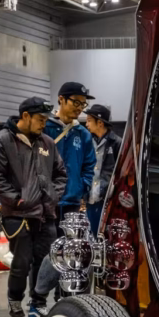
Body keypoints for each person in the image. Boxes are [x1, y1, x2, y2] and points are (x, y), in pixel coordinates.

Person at [0, 97, 66, 317]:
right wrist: (17, 199)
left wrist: (53, 195)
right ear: (25, 116)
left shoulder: (47, 143)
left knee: (45, 260)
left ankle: (38, 303)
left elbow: (60, 174)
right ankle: (14, 299)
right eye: (40, 119)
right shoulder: (0, 141)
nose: (43, 124)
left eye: (46, 120)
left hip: (45, 213)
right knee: (21, 262)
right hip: (17, 214)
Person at [44, 82, 96, 221]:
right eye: (76, 102)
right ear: (61, 99)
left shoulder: (83, 134)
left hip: (72, 202)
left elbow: (89, 166)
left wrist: (80, 187)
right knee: (47, 242)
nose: (79, 108)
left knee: (70, 242)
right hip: (44, 202)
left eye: (83, 104)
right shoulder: (44, 128)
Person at [82, 104, 121, 234]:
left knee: (106, 235)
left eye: (88, 120)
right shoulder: (86, 141)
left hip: (108, 199)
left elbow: (121, 172)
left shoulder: (117, 143)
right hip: (90, 197)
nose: (86, 124)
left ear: (99, 123)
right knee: (92, 234)